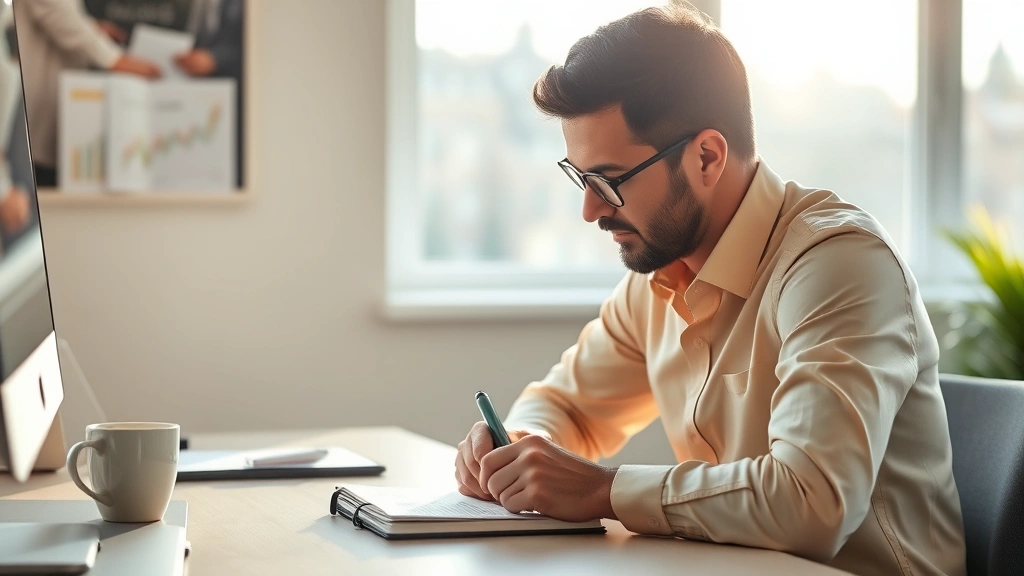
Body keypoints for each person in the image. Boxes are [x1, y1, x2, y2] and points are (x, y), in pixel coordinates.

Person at [454, 5, 966, 576]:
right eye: (580, 177)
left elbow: (812, 502)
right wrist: (519, 449)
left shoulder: (840, 264)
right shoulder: (658, 279)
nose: (589, 209)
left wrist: (603, 490)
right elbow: (566, 406)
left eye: (609, 180)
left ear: (706, 157)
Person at [11, 0, 161, 188]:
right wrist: (115, 59)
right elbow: (60, 17)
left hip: (52, 121)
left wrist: (93, 28)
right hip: (35, 119)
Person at [175, 0, 244, 187]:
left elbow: (254, 44)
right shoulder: (193, 7)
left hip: (236, 104)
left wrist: (216, 59)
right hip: (193, 101)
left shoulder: (244, 6)